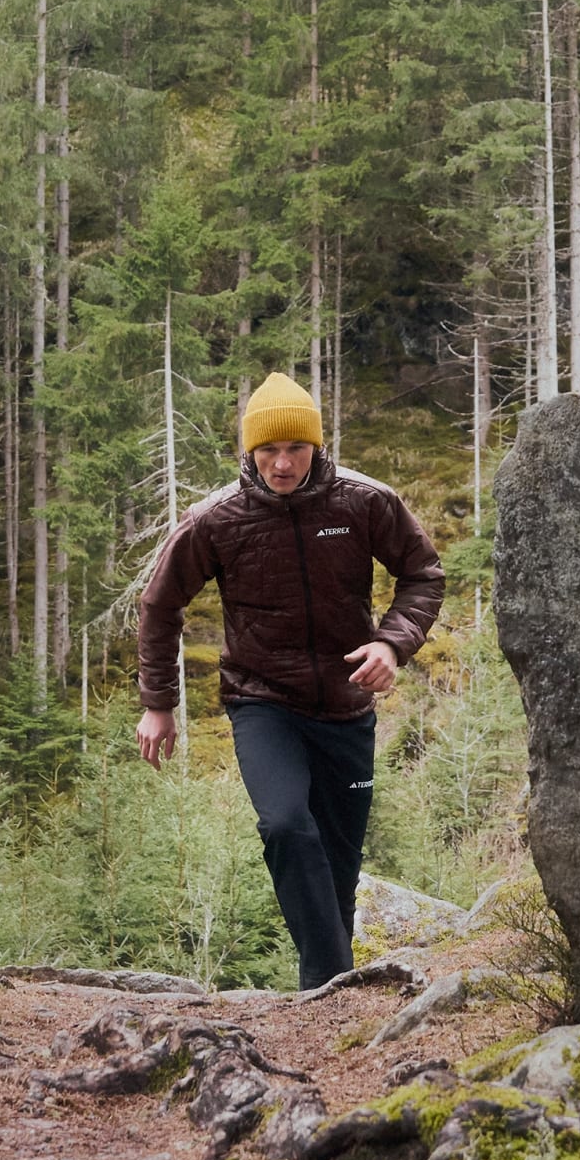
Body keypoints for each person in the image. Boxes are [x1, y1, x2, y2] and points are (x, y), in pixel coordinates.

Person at [136, 372, 444, 989]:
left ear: (317, 447)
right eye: (268, 450)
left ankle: (324, 998)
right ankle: (334, 990)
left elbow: (423, 573)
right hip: (263, 701)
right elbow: (159, 605)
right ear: (248, 452)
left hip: (347, 706)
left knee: (338, 866)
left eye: (295, 448)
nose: (282, 463)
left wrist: (391, 642)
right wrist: (159, 704)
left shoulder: (364, 502)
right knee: (285, 825)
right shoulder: (215, 519)